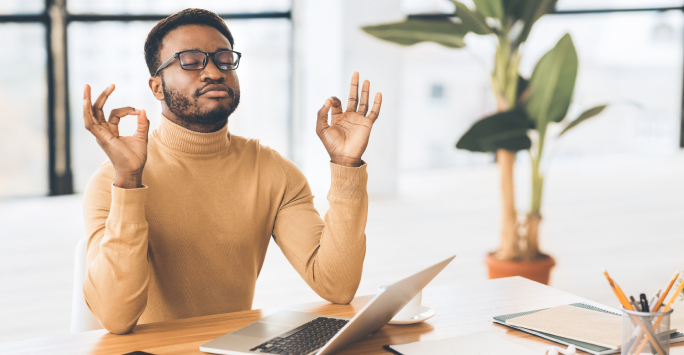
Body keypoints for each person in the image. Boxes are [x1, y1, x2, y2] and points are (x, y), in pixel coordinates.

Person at [81, 8, 382, 335]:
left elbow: (337, 285)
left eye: (224, 59)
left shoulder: (272, 171)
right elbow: (115, 317)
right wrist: (128, 183)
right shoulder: (111, 181)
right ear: (157, 87)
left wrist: (346, 166)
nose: (213, 71)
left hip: (233, 347)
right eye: (191, 61)